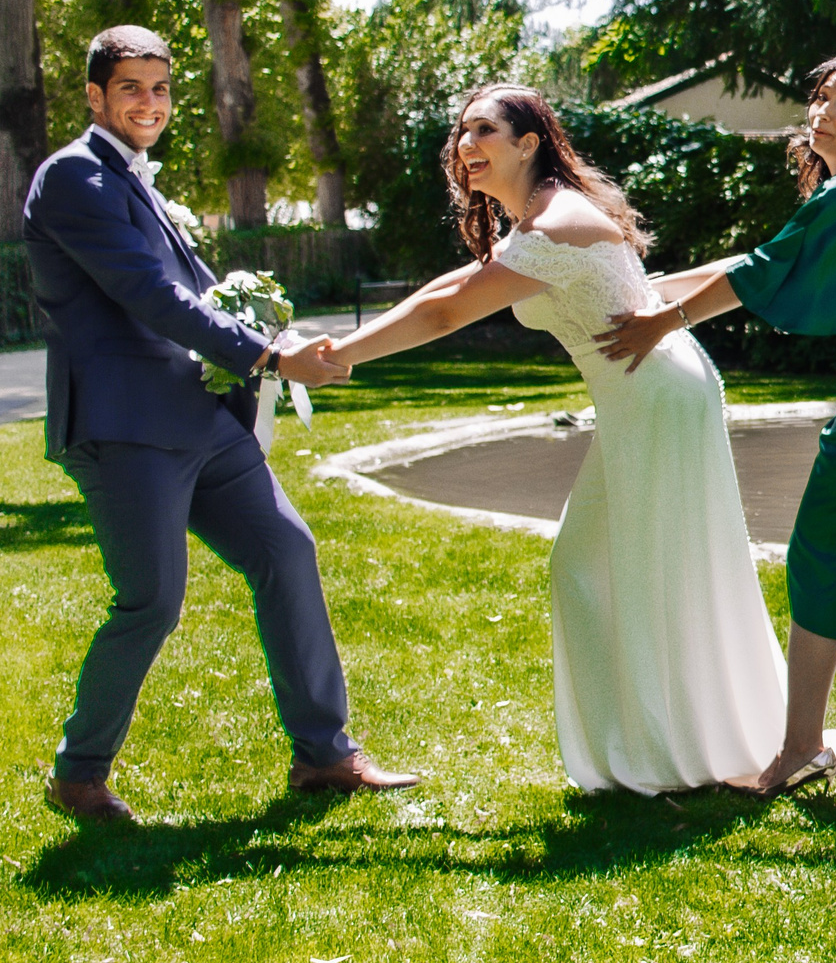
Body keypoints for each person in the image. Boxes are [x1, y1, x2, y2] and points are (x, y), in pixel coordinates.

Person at [329, 84, 785, 794]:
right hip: (643, 395)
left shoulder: (557, 221)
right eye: (461, 132)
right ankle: (647, 746)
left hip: (656, 397)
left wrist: (342, 357)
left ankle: (675, 753)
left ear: (529, 142)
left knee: (648, 570)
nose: (465, 146)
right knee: (585, 568)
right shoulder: (533, 221)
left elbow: (449, 313)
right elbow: (442, 290)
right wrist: (345, 348)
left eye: (484, 130)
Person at [24, 25, 413, 823]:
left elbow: (194, 290)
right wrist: (270, 357)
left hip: (202, 422)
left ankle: (325, 753)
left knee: (286, 549)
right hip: (126, 426)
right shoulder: (72, 176)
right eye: (131, 87)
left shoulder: (131, 178)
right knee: (153, 600)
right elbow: (150, 297)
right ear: (95, 95)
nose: (149, 102)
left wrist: (257, 314)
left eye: (161, 88)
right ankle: (78, 770)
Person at [598, 55, 836, 795]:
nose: (822, 112)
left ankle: (803, 745)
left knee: (819, 551)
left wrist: (657, 321)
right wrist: (657, 289)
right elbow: (762, 259)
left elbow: (761, 270)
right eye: (821, 97)